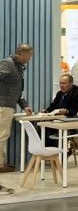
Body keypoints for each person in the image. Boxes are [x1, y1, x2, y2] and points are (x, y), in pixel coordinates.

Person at [0, 43, 33, 173]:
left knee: (3, 135)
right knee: (2, 135)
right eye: (29, 56)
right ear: (23, 55)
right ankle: (0, 164)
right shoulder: (7, 63)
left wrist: (24, 105)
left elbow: (17, 90)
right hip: (4, 105)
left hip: (8, 105)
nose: (30, 59)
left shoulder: (18, 66)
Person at [39, 72, 78, 144]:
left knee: (48, 131)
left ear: (71, 84)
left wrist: (67, 111)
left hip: (71, 122)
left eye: (64, 83)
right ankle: (46, 149)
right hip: (59, 120)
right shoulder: (60, 94)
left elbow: (77, 112)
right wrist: (46, 111)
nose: (61, 86)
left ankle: (58, 149)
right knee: (42, 128)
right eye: (60, 83)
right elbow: (53, 106)